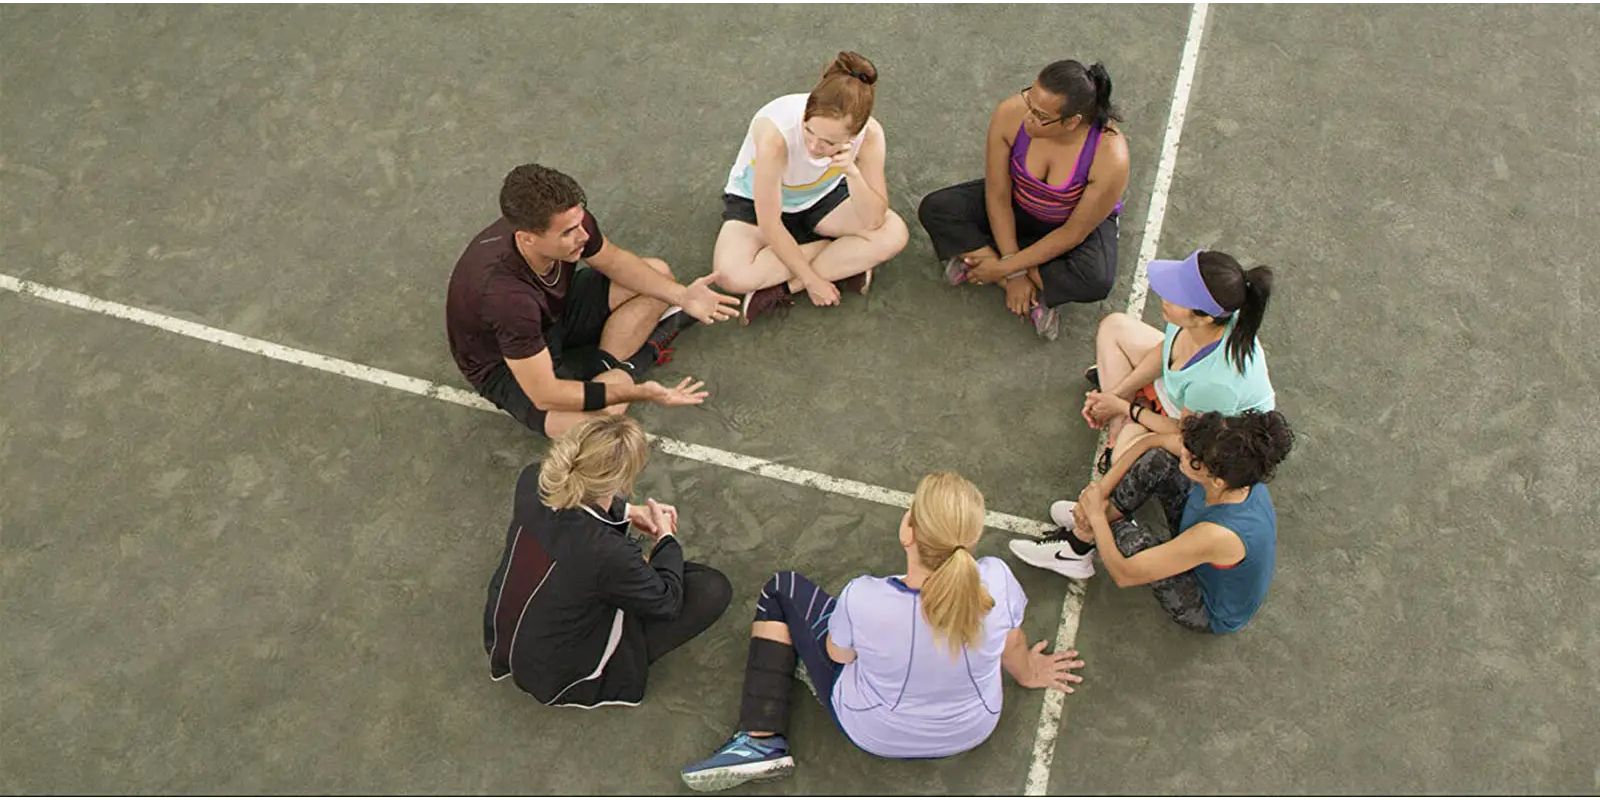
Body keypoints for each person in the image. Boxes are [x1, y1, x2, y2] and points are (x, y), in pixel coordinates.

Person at [680, 472, 1084, 792]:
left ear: (908, 530)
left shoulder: (863, 597)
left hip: (874, 731)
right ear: (972, 541)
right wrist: (1031, 673)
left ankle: (759, 738)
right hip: (973, 728)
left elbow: (839, 657)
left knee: (782, 590)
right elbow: (1012, 642)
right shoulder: (996, 581)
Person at [446, 163, 740, 437]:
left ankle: (604, 363)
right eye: (568, 232)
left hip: (554, 313)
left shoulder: (571, 222)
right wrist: (636, 391)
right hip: (507, 366)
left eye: (580, 221)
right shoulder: (506, 298)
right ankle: (638, 360)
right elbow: (545, 393)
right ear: (526, 239)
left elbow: (613, 260)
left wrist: (683, 295)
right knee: (599, 424)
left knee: (658, 274)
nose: (584, 235)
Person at [483, 415, 733, 708]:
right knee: (711, 589)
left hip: (510, 638)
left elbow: (575, 520)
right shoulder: (607, 552)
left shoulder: (532, 478)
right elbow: (666, 603)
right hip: (559, 671)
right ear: (619, 481)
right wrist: (666, 539)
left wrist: (627, 511)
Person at [1012, 411, 1294, 633]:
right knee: (1158, 461)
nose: (1183, 452)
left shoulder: (1217, 535)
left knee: (1130, 541)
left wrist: (1097, 516)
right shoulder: (1236, 466)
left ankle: (1078, 548)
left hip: (1205, 606)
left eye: (1191, 458)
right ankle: (1084, 535)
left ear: (1217, 480)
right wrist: (1100, 492)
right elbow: (1152, 442)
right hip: (1196, 530)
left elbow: (1125, 574)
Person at [917, 60, 1129, 341]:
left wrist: (1006, 265)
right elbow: (998, 193)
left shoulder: (1110, 156)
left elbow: (1072, 234)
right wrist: (1013, 276)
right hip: (1018, 202)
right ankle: (1028, 287)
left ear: (1071, 122)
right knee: (937, 208)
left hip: (1069, 223)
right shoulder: (1010, 113)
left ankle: (981, 260)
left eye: (1040, 115)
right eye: (1029, 100)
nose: (1027, 116)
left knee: (1096, 280)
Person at [714, 51, 910, 324]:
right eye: (809, 131)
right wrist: (812, 279)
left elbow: (875, 218)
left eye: (829, 142)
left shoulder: (871, 136)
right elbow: (770, 224)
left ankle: (783, 286)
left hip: (822, 197)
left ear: (854, 134)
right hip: (757, 203)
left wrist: (852, 173)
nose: (815, 147)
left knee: (893, 233)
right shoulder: (775, 138)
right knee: (730, 275)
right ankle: (843, 258)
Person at [1079, 249, 1276, 473]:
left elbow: (1185, 433)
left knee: (1122, 458)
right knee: (1114, 326)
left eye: (1177, 297)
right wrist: (1116, 394)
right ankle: (1128, 415)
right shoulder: (1215, 317)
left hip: (1201, 428)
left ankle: (1120, 434)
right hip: (1184, 394)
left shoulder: (1215, 383)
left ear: (1204, 318)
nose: (1165, 297)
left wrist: (1123, 406)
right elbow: (1166, 350)